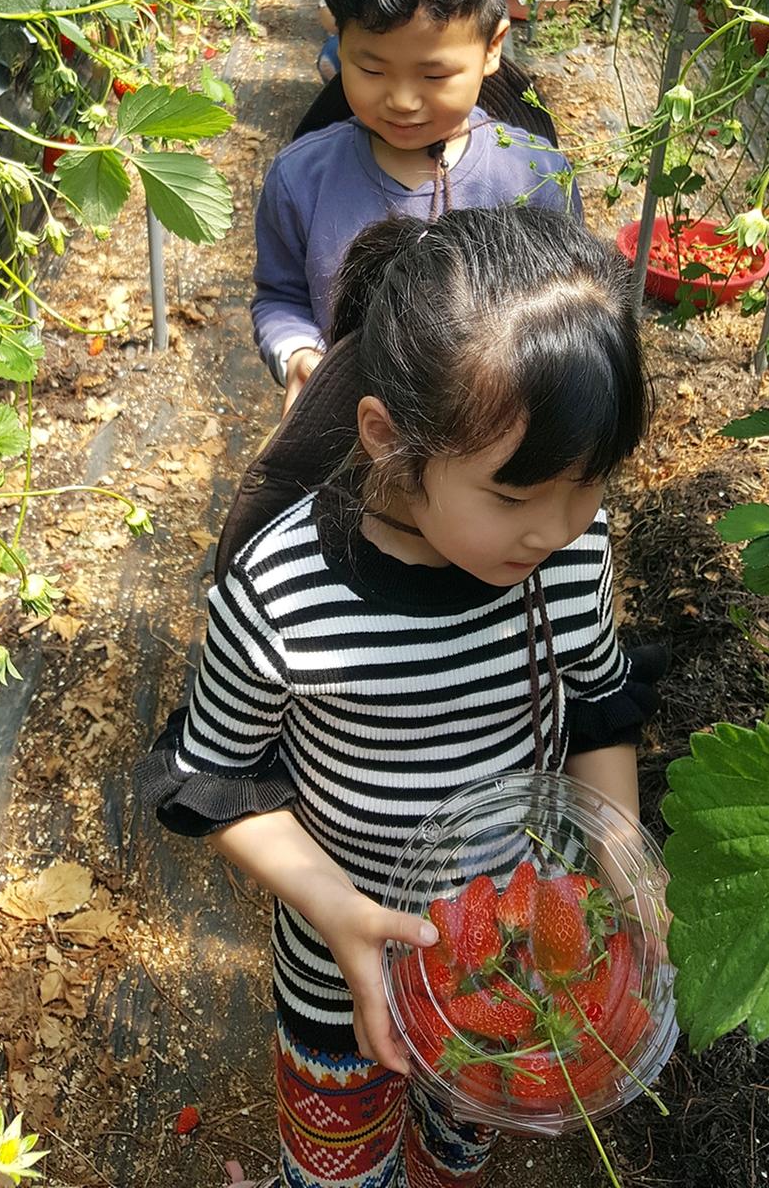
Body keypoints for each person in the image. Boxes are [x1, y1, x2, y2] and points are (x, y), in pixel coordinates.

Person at [138, 203, 664, 1188]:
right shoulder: (287, 595)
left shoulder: (565, 546)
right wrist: (335, 910)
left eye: (588, 483)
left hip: (509, 947)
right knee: (343, 1156)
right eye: (512, 497)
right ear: (387, 439)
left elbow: (594, 701)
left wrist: (623, 853)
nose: (554, 529)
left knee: (464, 1124)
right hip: (347, 971)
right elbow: (214, 781)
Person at [253, 0, 579, 410]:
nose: (402, 101)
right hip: (352, 440)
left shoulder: (535, 179)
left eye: (434, 74)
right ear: (337, 38)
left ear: (493, 46)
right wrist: (299, 354)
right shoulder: (301, 180)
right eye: (370, 68)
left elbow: (568, 308)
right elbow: (280, 297)